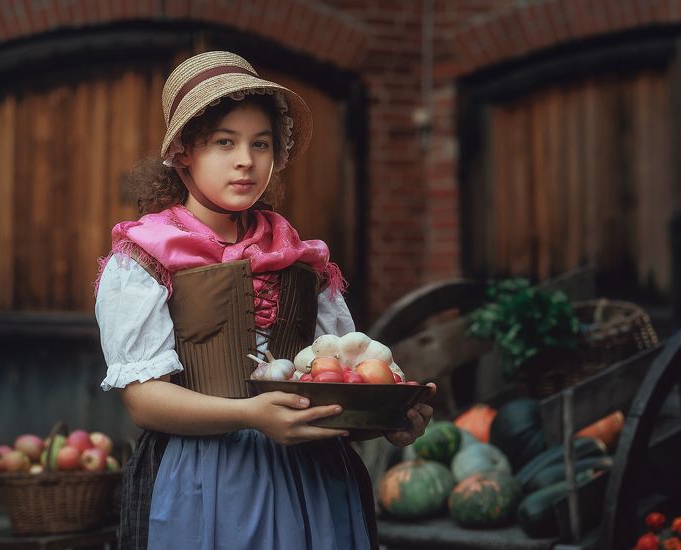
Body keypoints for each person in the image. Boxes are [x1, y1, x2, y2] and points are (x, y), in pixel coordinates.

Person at [94, 51, 435, 550]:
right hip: (203, 481)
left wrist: (386, 421)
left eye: (261, 143)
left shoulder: (301, 257)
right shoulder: (144, 257)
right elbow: (144, 401)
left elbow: (332, 393)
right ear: (184, 151)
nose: (245, 161)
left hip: (315, 489)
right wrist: (251, 416)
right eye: (223, 143)